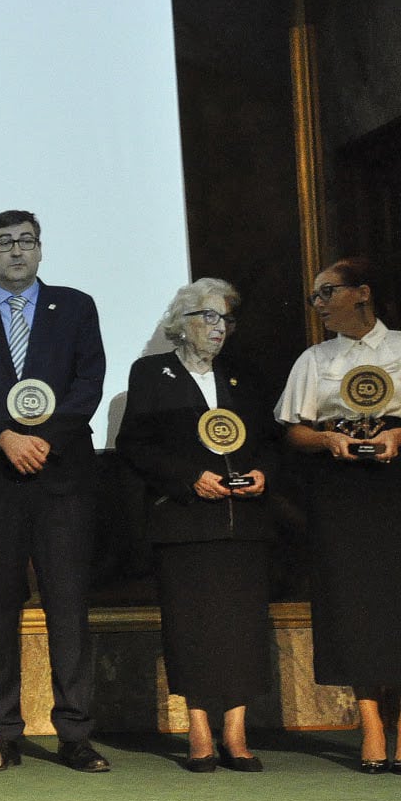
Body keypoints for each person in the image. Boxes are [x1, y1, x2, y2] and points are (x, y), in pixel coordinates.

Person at [0, 209, 110, 773]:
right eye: (4, 243)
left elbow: (89, 381)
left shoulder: (75, 307)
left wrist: (43, 439)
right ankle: (2, 731)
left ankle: (76, 733)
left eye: (26, 241)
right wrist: (4, 436)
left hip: (62, 478)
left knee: (68, 607)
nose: (17, 251)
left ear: (40, 249)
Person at [118, 279, 277, 772]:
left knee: (242, 627)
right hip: (184, 520)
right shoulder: (151, 372)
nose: (219, 328)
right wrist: (189, 478)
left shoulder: (243, 374)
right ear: (182, 323)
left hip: (242, 522)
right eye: (209, 317)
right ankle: (200, 729)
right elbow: (134, 444)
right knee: (191, 628)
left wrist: (263, 473)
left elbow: (270, 440)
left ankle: (236, 731)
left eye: (226, 319)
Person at [275, 257, 401, 772]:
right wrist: (328, 440)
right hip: (342, 491)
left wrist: (398, 434)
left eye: (327, 292)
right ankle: (370, 723)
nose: (319, 304)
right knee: (353, 603)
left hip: (396, 483)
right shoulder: (315, 358)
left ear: (362, 292)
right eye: (314, 296)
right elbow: (293, 430)